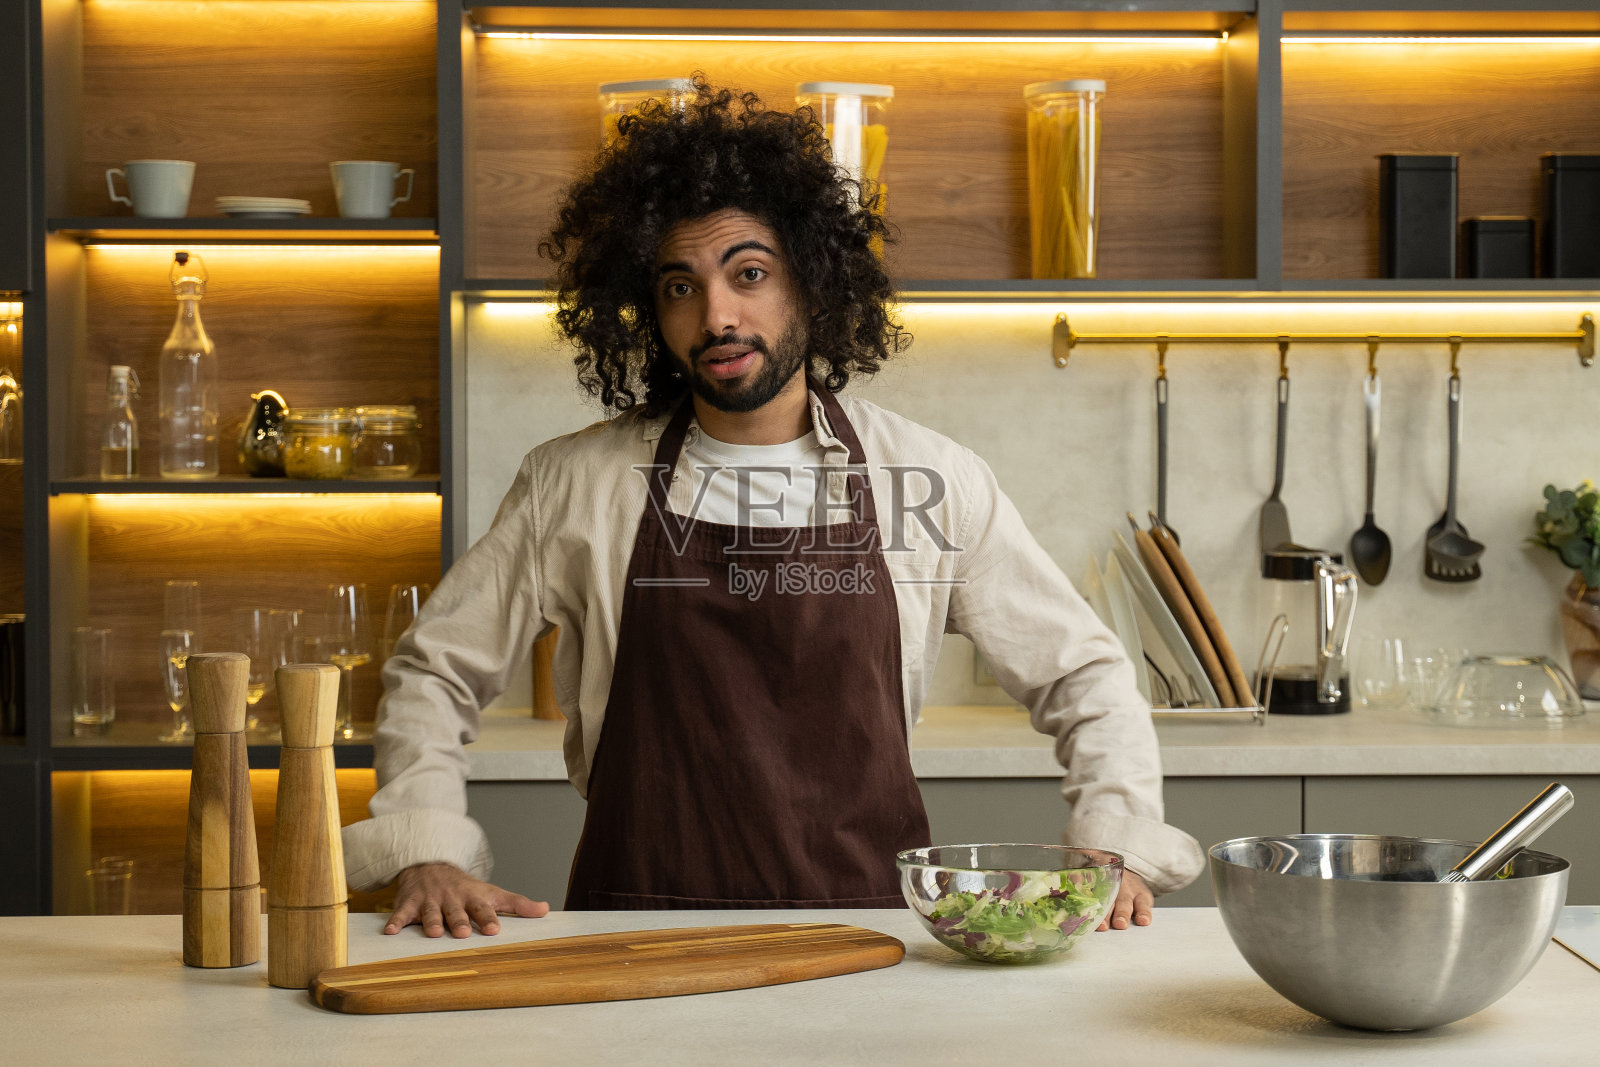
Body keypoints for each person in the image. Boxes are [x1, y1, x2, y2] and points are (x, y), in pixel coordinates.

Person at [343, 78, 1204, 938]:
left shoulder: (932, 478)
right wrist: (427, 846)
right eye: (680, 286)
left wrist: (1116, 841)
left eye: (749, 274)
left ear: (813, 284)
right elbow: (435, 668)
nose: (717, 315)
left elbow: (1083, 673)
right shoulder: (574, 482)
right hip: (633, 935)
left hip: (869, 939)